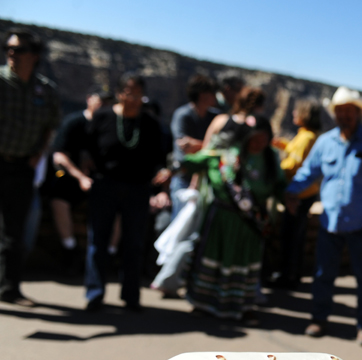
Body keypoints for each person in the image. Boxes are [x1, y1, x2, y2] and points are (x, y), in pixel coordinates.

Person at [285, 86, 362, 347]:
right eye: (340, 111)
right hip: (330, 223)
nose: (344, 115)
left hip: (361, 225)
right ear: (335, 114)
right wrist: (289, 192)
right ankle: (319, 319)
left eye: (349, 111)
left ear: (357, 113)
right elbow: (307, 174)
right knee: (323, 274)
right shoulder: (325, 143)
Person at [180, 87, 285, 321]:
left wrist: (287, 199)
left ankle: (241, 305)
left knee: (243, 265)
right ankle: (203, 302)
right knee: (215, 261)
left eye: (263, 139)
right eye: (254, 138)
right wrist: (178, 164)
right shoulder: (228, 154)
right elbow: (199, 160)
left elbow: (279, 186)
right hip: (222, 219)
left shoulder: (270, 159)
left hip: (248, 225)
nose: (257, 143)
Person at [83, 73, 167, 312]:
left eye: (138, 93)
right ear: (119, 93)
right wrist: (85, 170)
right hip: (104, 186)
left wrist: (161, 176)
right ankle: (95, 294)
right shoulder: (102, 117)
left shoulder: (150, 124)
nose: (133, 98)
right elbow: (86, 149)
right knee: (98, 241)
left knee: (134, 243)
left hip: (137, 189)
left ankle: (131, 297)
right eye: (129, 92)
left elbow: (159, 158)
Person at [0, 29, 61, 306]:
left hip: (23, 167)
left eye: (18, 49)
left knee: (14, 233)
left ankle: (9, 289)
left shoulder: (45, 90)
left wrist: (38, 154)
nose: (11, 53)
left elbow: (51, 125)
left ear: (34, 56)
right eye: (8, 48)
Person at [43, 87, 114, 274]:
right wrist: (81, 176)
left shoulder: (110, 126)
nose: (104, 105)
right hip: (69, 178)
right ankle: (69, 249)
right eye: (101, 100)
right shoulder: (74, 122)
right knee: (58, 197)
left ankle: (110, 255)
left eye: (108, 102)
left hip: (100, 180)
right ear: (89, 99)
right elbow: (59, 156)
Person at [271, 99, 323, 289]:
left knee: (291, 236)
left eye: (296, 111)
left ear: (304, 115)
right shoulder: (307, 135)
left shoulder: (307, 137)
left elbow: (295, 163)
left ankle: (288, 276)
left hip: (299, 195)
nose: (293, 114)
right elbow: (296, 152)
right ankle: (293, 273)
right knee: (296, 235)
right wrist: (283, 145)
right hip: (306, 193)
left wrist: (274, 169)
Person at [169, 74, 219, 219]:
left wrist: (198, 145)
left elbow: (221, 148)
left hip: (207, 179)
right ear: (203, 95)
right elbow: (184, 146)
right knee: (181, 222)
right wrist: (209, 147)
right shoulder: (183, 115)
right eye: (212, 93)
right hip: (184, 178)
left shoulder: (215, 117)